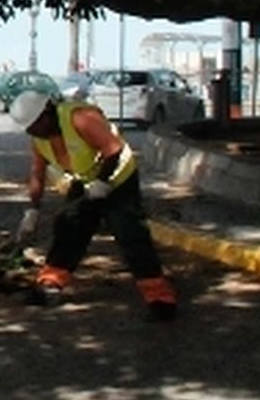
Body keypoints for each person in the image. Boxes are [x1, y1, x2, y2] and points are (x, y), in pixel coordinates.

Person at [9, 91, 178, 320]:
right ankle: (50, 283)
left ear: (46, 113)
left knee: (130, 233)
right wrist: (33, 210)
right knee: (68, 228)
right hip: (86, 179)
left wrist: (102, 182)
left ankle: (160, 299)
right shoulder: (40, 140)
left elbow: (114, 149)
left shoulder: (80, 117)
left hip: (118, 178)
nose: (32, 132)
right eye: (28, 128)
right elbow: (37, 175)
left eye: (34, 125)